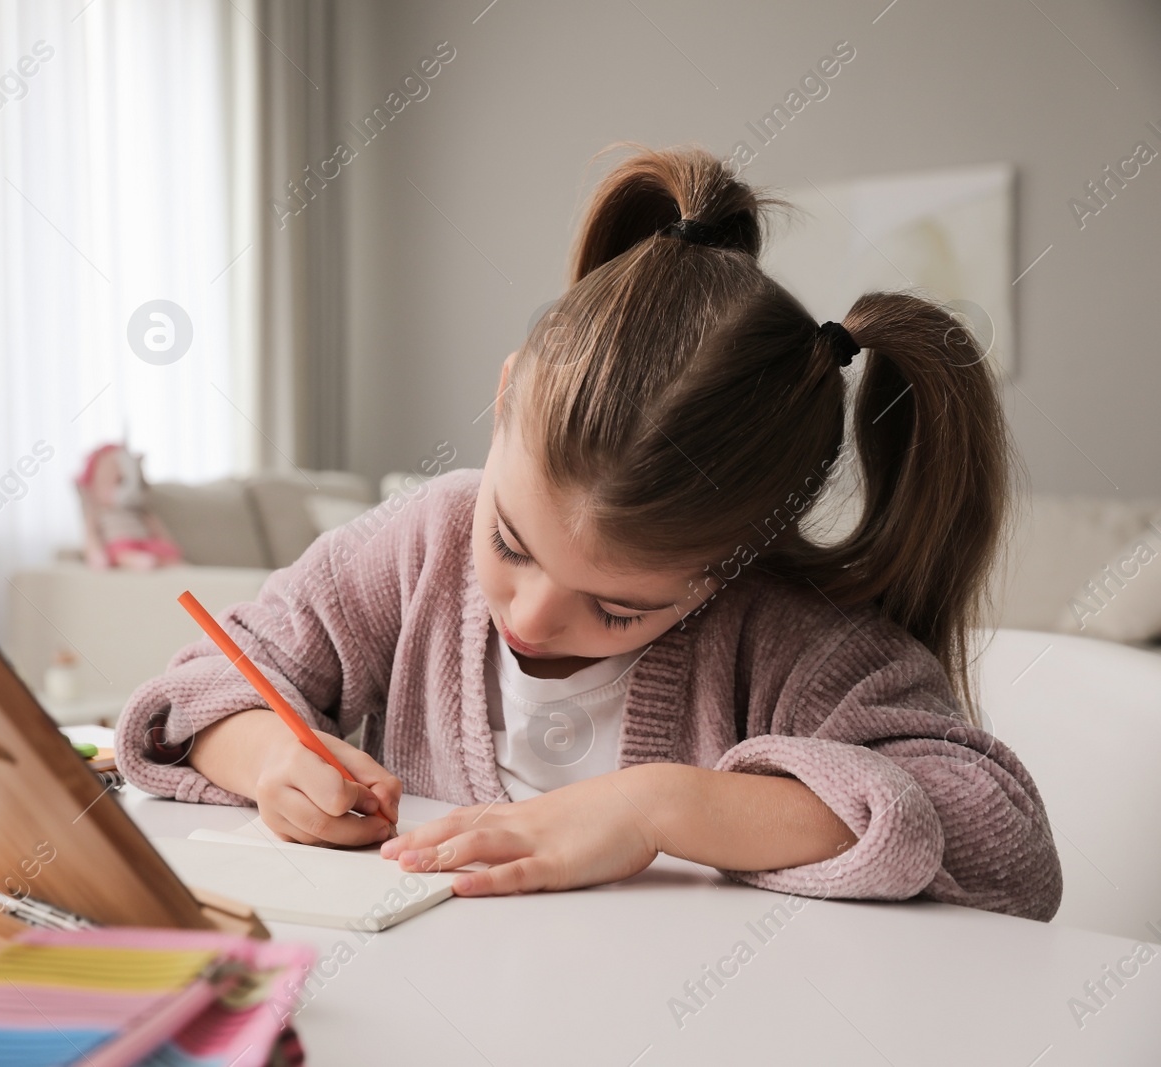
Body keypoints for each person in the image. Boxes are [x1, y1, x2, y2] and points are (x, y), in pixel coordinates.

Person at [114, 144, 1060, 921]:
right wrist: (271, 757)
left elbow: (1004, 844)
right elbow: (204, 684)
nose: (527, 612)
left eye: (616, 608)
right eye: (513, 543)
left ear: (728, 568)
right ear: (504, 393)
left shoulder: (791, 634)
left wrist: (660, 806)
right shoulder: (426, 539)